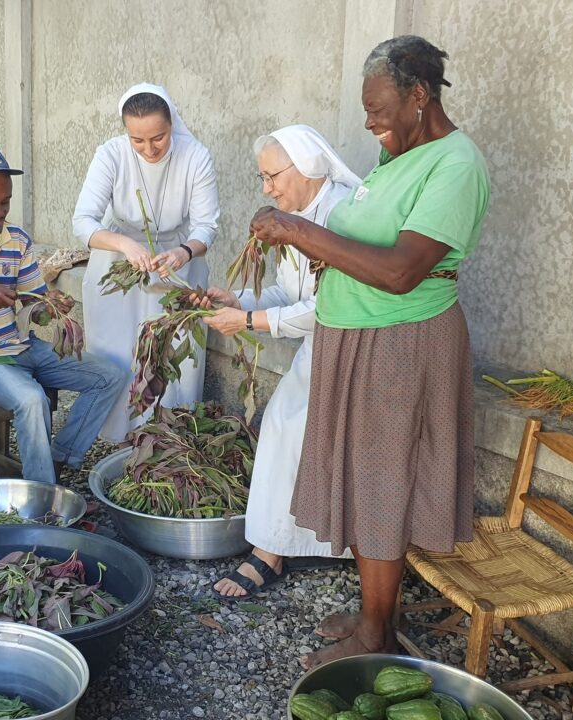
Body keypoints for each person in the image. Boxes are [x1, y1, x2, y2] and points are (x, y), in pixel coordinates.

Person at [249, 36, 491, 668]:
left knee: (382, 485)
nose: (370, 122)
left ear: (420, 94)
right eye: (366, 109)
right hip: (358, 339)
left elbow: (401, 270)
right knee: (363, 480)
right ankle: (371, 613)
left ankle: (377, 635)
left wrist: (301, 231)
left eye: (379, 107)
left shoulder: (455, 165)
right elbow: (364, 248)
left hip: (401, 343)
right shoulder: (398, 156)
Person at [201, 126, 359, 600]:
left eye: (273, 175)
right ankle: (284, 544)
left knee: (290, 429)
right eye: (262, 177)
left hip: (355, 349)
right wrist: (239, 298)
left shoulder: (343, 214)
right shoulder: (294, 217)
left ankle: (274, 552)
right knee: (289, 430)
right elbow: (289, 295)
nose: (267, 187)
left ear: (307, 166)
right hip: (325, 347)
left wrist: (248, 318)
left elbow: (329, 307)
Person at [0, 146, 129, 484]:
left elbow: (33, 307)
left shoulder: (16, 239)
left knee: (111, 376)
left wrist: (50, 306)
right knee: (31, 400)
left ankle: (57, 461)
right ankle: (42, 504)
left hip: (22, 346)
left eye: (5, 202)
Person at [73, 82, 220, 441]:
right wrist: (124, 244)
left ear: (172, 125)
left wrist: (184, 252)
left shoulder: (195, 156)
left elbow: (207, 225)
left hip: (177, 260)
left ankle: (169, 434)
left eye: (159, 137)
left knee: (173, 354)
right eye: (137, 140)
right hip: (117, 259)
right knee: (117, 349)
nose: (149, 148)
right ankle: (116, 437)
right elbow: (83, 222)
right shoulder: (109, 155)